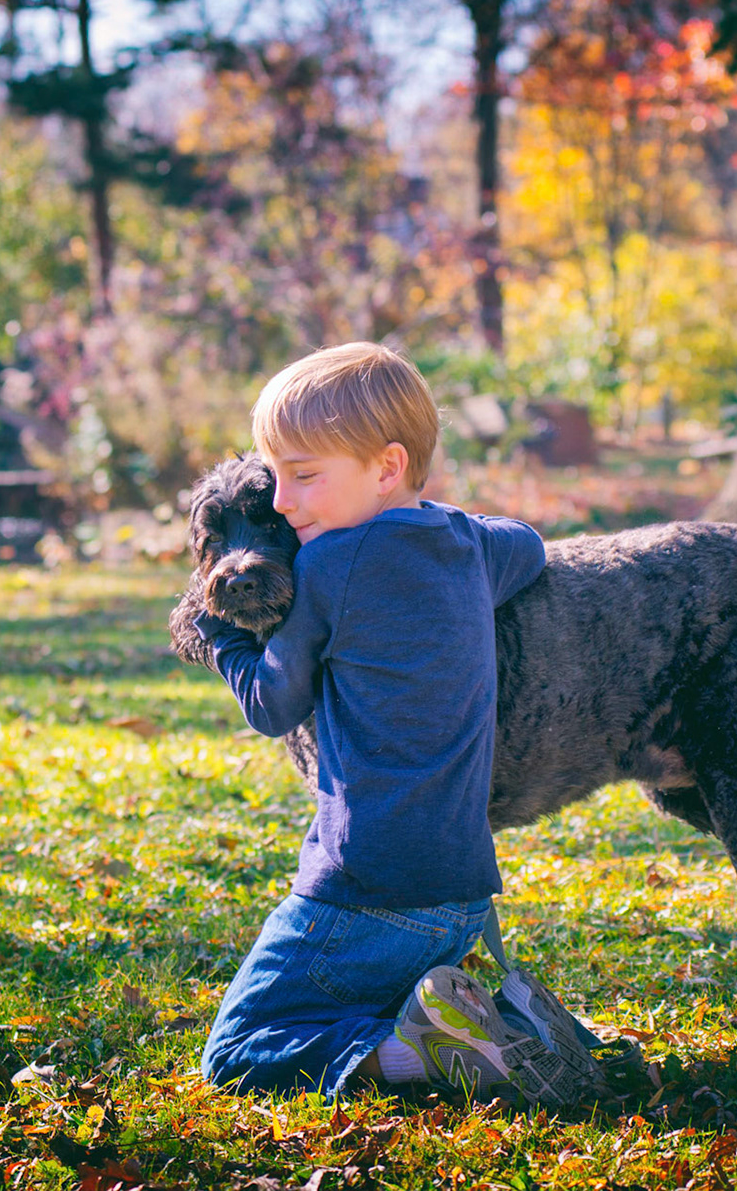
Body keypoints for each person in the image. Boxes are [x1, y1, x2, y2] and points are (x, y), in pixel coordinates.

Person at [192, 342, 604, 1105]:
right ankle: (533, 1029)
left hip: (369, 888)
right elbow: (532, 544)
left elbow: (272, 705)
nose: (282, 501)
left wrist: (215, 633)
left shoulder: (326, 568)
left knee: (239, 1050)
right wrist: (446, 520)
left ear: (385, 467)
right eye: (276, 475)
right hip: (465, 899)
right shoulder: (466, 542)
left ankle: (429, 1051)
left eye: (303, 476)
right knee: (351, 989)